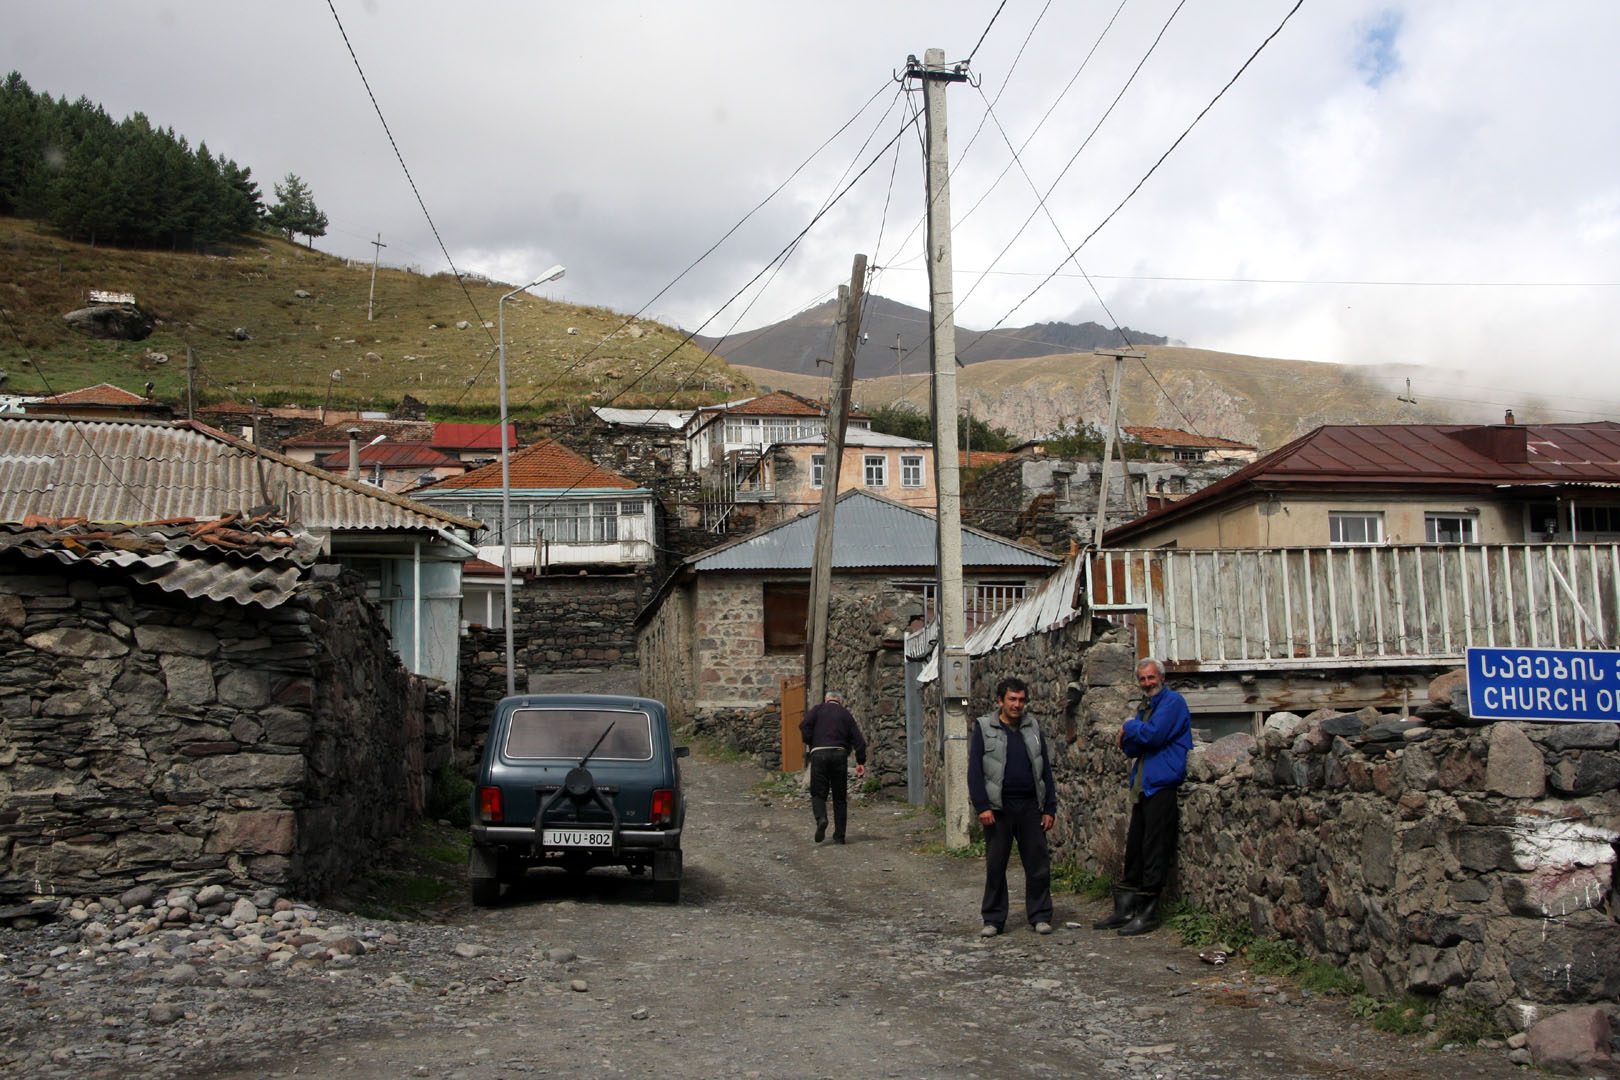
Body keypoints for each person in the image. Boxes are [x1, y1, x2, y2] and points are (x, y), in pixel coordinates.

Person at [1093, 658, 1192, 937]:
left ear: (1161, 677)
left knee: (1154, 849)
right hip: (1143, 786)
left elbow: (1154, 736)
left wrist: (1129, 727)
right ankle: (1125, 909)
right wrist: (1135, 734)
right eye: (1143, 679)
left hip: (1162, 785)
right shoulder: (1146, 706)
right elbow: (1131, 747)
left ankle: (1148, 914)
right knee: (1135, 848)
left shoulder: (1173, 703)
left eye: (1150, 678)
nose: (1147, 683)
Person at [967, 676, 1056, 937]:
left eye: (1021, 700)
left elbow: (1045, 770)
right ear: (1000, 701)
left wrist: (1049, 807)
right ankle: (993, 919)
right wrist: (982, 806)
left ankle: (1040, 915)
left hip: (1030, 806)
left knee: (1038, 863)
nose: (1017, 705)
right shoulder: (985, 728)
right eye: (1012, 700)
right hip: (998, 809)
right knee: (996, 865)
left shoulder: (1033, 728)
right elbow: (975, 771)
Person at [798, 690, 866, 844]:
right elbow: (859, 740)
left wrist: (811, 742)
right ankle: (839, 836)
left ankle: (821, 818)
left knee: (818, 792)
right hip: (839, 754)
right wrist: (861, 761)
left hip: (819, 753)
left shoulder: (817, 710)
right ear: (841, 701)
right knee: (839, 797)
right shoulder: (845, 714)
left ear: (827, 699)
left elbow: (804, 727)